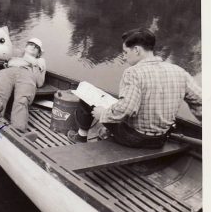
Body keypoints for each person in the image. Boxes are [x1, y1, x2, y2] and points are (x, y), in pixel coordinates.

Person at [68, 28, 202, 148]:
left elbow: (127, 109)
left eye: (125, 52)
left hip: (135, 138)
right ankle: (106, 133)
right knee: (116, 109)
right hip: (161, 138)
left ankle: (81, 137)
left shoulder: (133, 73)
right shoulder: (179, 71)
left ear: (137, 50)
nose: (124, 57)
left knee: (87, 99)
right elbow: (201, 102)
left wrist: (102, 114)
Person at [0, 38, 46, 133]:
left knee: (22, 100)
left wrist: (35, 64)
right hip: (8, 72)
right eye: (31, 44)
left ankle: (18, 130)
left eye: (37, 47)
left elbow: (40, 82)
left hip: (27, 74)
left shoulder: (40, 61)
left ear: (39, 53)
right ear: (26, 46)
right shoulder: (13, 54)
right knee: (0, 95)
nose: (33, 47)